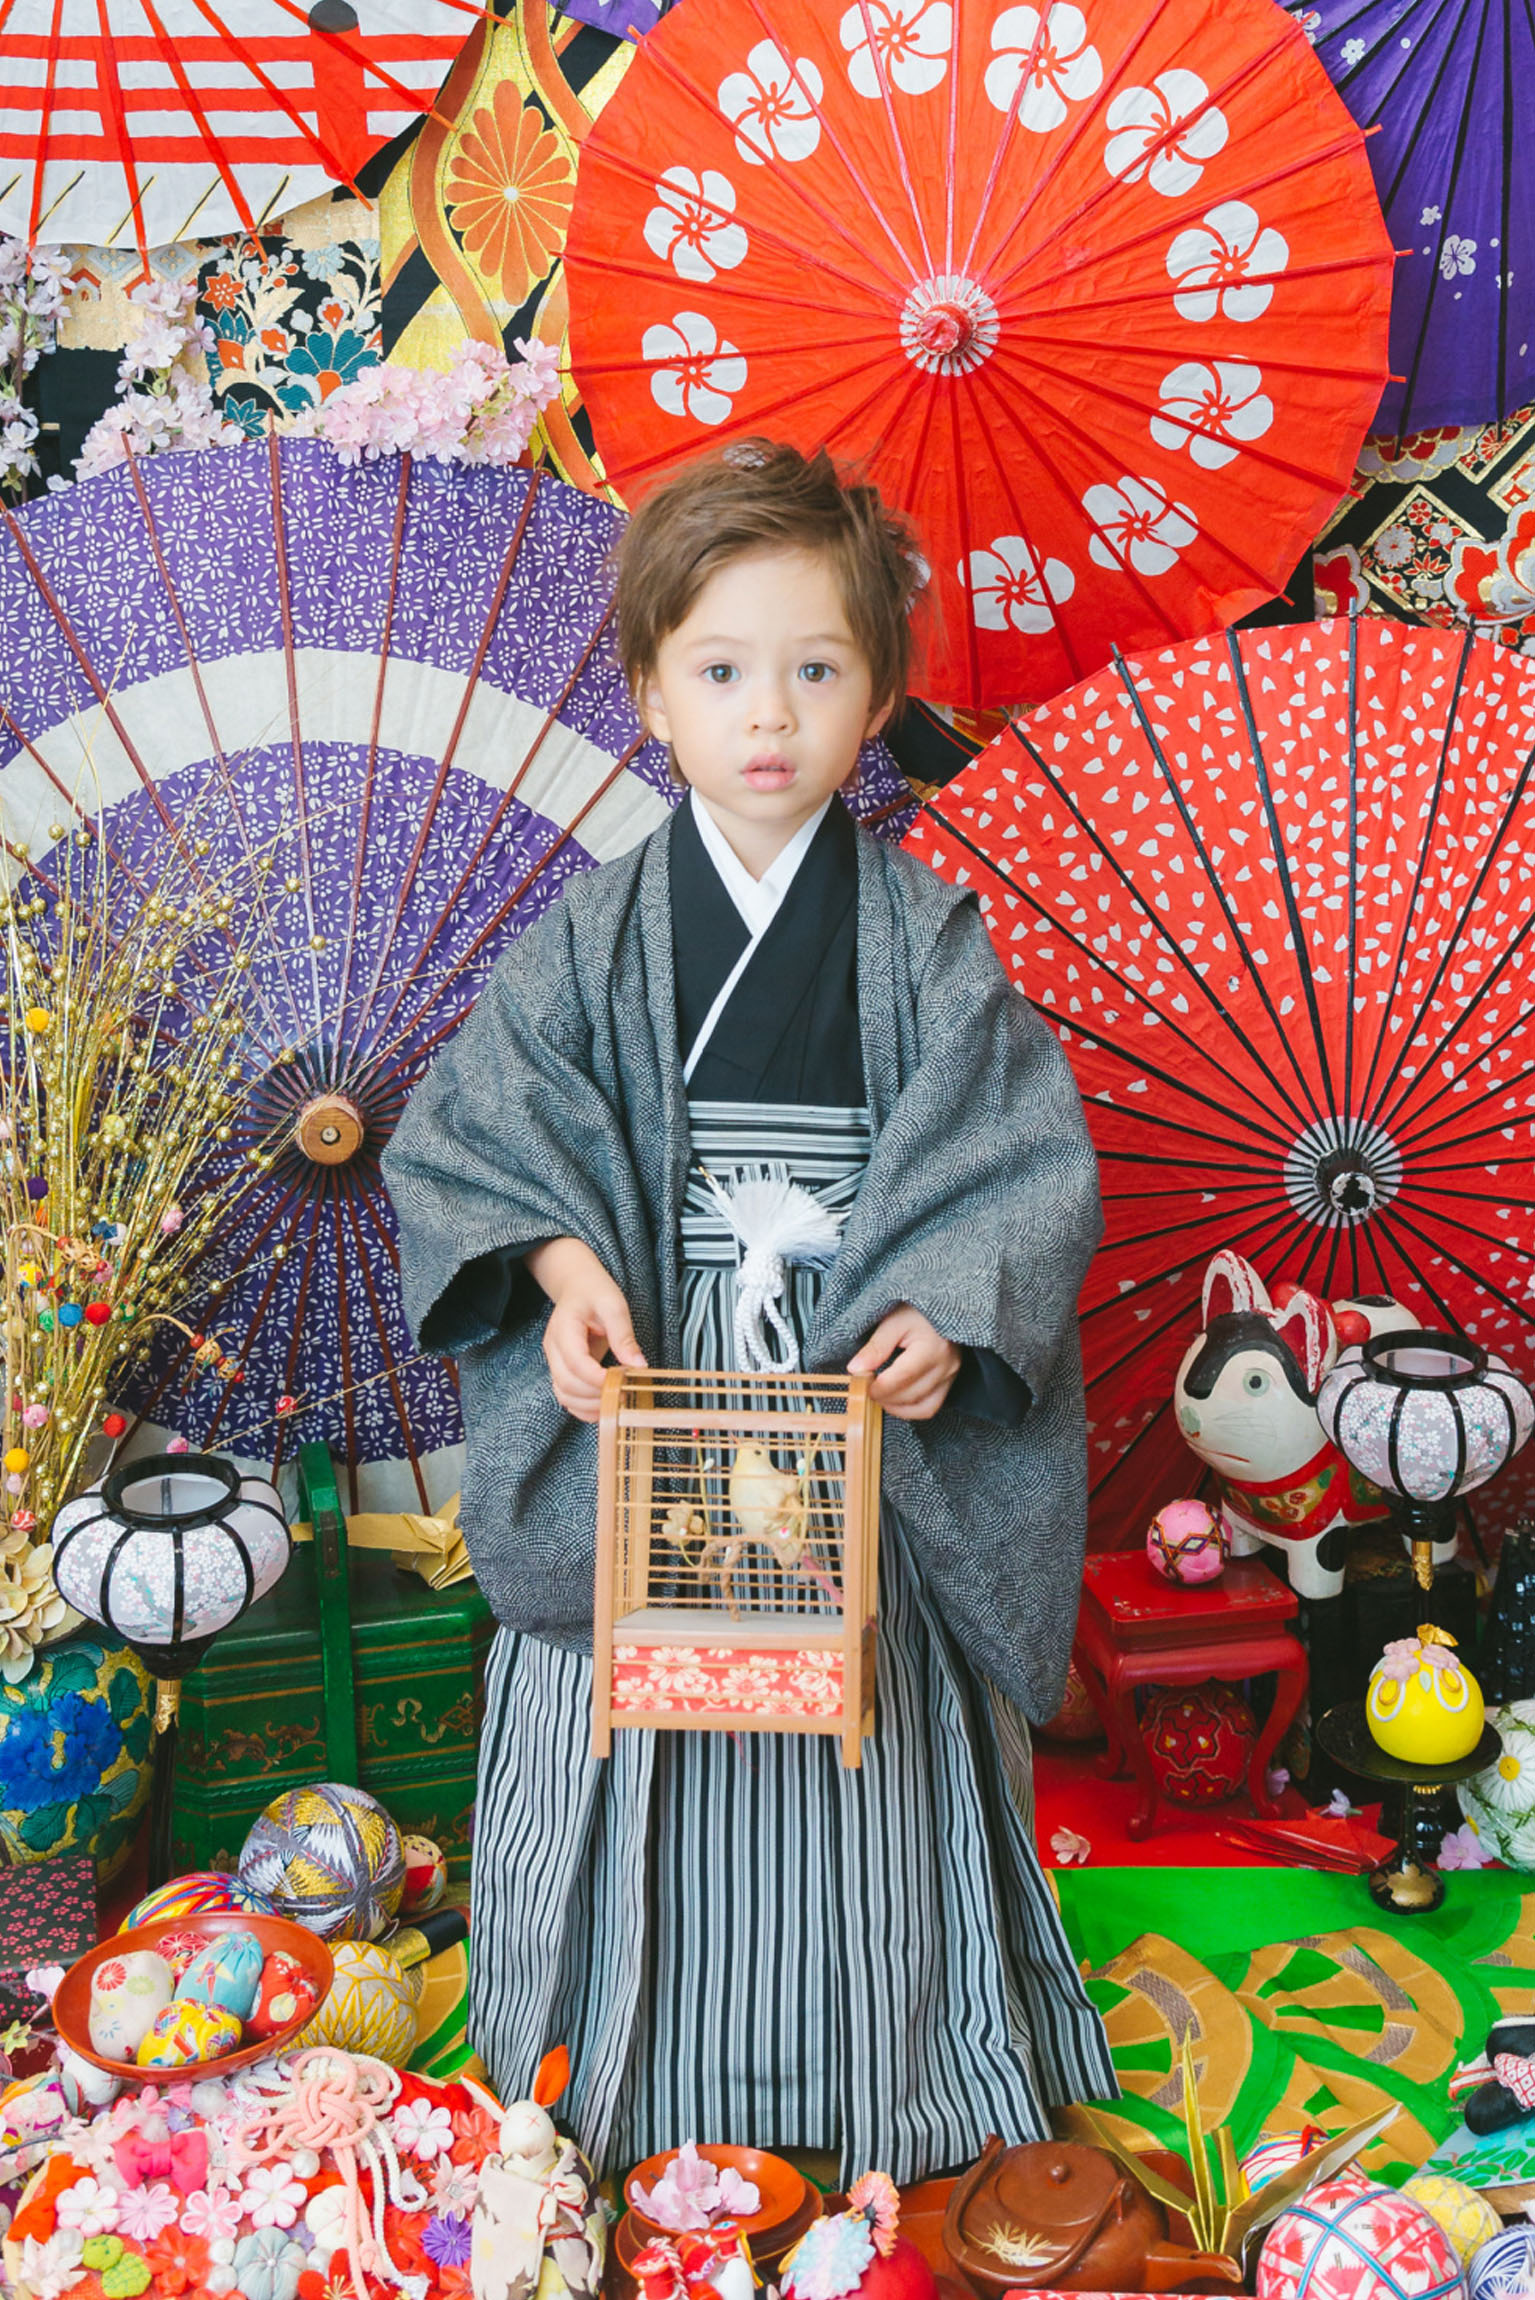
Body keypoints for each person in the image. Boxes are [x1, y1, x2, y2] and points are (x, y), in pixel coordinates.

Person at [382, 440, 1116, 2183]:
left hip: (857, 1410)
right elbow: (478, 1138)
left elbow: (1019, 1168)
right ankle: (635, 2087)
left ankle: (898, 2092)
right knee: (646, 1712)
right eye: (720, 671)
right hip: (654, 1408)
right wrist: (562, 1280)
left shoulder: (928, 940)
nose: (767, 714)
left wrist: (948, 1315)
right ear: (649, 689)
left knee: (872, 1740)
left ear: (877, 693)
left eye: (816, 669)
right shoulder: (593, 936)